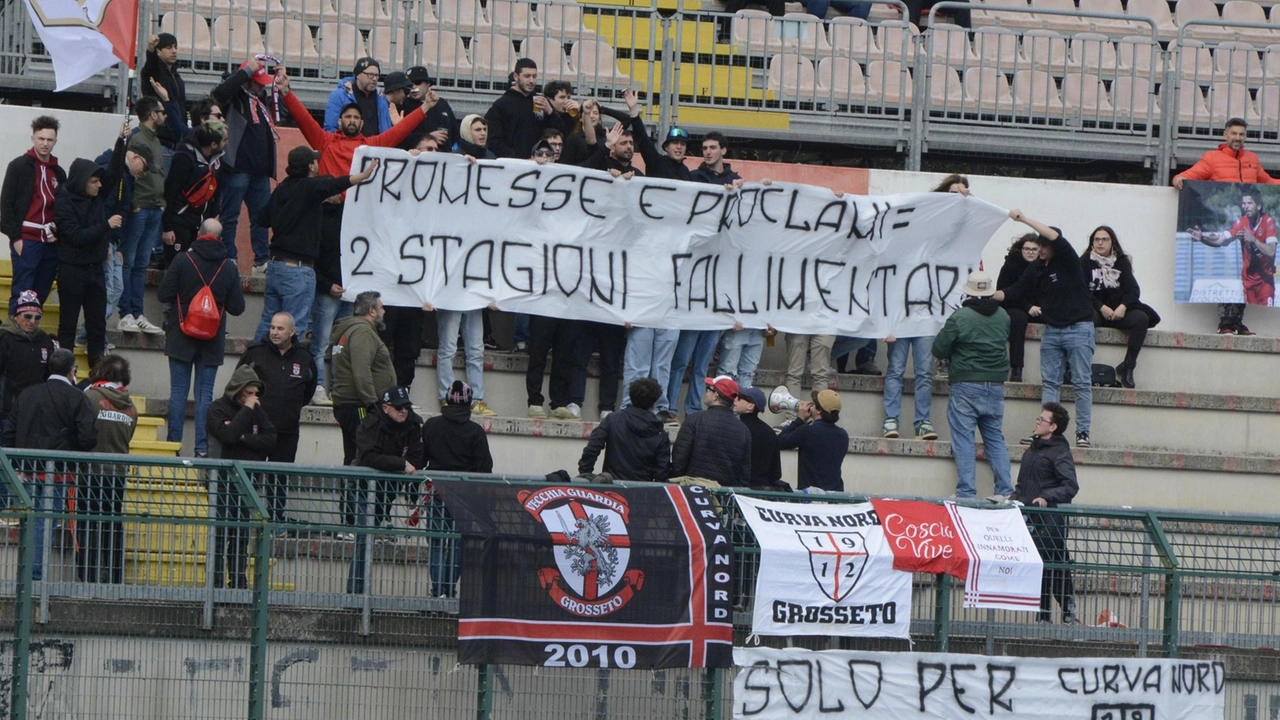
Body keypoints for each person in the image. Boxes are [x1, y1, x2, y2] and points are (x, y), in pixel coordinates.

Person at [254, 144, 380, 346]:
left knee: (269, 324)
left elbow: (262, 219)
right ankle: (283, 374)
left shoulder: (282, 188)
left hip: (275, 267)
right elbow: (337, 184)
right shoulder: (310, 187)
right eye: (315, 160)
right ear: (310, 167)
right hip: (298, 270)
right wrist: (364, 175)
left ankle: (255, 368)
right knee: (292, 329)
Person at [994, 210, 1095, 448]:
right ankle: (1046, 432)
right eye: (1039, 245)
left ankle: (1082, 432)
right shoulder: (1036, 268)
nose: (1040, 249)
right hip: (1053, 330)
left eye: (1045, 245)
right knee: (1050, 384)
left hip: (1079, 328)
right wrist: (987, 294)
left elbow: (1054, 236)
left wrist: (1024, 219)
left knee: (1081, 382)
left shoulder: (1068, 260)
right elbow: (1015, 290)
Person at [1173, 117, 1280, 335]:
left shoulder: (1252, 159)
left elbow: (1267, 181)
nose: (1238, 138)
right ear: (1225, 135)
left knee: (1245, 280)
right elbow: (1190, 176)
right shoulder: (1212, 158)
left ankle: (1236, 323)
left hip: (1249, 240)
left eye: (1242, 134)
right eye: (1234, 134)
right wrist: (1179, 178)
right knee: (1230, 278)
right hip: (1233, 227)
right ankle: (1226, 323)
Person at [3, 348, 96, 581]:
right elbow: (88, 438)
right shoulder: (77, 397)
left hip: (26, 471)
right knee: (45, 524)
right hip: (59, 475)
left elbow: (8, 435)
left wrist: (15, 467)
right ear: (72, 371)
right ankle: (34, 578)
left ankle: (29, 576)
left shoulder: (27, 394)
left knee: (32, 523)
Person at [156, 218, 247, 457]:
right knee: (205, 394)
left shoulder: (183, 260)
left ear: (199, 234)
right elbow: (238, 308)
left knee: (178, 392)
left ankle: (173, 446)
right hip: (212, 337)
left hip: (181, 334)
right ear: (220, 238)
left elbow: (163, 293)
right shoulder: (229, 266)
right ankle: (201, 450)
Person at [53, 122, 135, 371]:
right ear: (81, 181)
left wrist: (121, 141)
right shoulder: (64, 202)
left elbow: (115, 173)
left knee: (98, 327)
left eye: (99, 181)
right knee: (67, 326)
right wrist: (106, 225)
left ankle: (98, 375)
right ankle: (63, 373)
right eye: (94, 181)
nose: (100, 185)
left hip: (95, 270)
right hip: (72, 270)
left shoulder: (97, 195)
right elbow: (75, 236)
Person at [931, 271, 1014, 501]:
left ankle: (966, 491)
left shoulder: (960, 317)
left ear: (968, 292)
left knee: (964, 438)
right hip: (996, 384)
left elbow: (939, 349)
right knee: (995, 438)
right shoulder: (1003, 316)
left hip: (966, 383)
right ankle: (1005, 490)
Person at [236, 312, 317, 522]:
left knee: (280, 479)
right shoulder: (255, 353)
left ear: (292, 332)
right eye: (272, 327)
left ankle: (276, 521)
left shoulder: (305, 358)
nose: (274, 332)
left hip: (287, 431)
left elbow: (307, 391)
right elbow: (238, 384)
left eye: (280, 329)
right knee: (250, 477)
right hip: (257, 429)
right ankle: (243, 519)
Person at [207, 365, 277, 589]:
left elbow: (270, 439)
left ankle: (238, 581)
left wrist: (243, 437)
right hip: (222, 483)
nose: (253, 398)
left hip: (247, 482)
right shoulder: (217, 409)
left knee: (241, 536)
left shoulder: (258, 410)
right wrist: (245, 411)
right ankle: (216, 582)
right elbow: (227, 436)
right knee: (220, 536)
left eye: (255, 394)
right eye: (248, 393)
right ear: (237, 390)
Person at [348, 385, 424, 591]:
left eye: (406, 407)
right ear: (385, 407)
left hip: (386, 491)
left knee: (369, 539)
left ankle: (361, 597)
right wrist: (400, 464)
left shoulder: (413, 425)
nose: (403, 411)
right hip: (364, 489)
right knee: (365, 538)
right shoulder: (370, 424)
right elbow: (368, 457)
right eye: (398, 407)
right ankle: (356, 594)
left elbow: (417, 457)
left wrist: (398, 465)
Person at [421, 380, 490, 597]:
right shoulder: (475, 432)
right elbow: (485, 468)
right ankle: (449, 592)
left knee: (437, 545)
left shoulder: (431, 426)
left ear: (447, 400)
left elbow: (421, 458)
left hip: (437, 493)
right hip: (465, 497)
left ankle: (437, 592)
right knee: (459, 545)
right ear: (470, 403)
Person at [1013, 401, 1079, 625]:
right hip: (1030, 517)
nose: (1037, 421)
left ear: (1052, 427)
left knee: (1052, 564)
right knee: (1042, 566)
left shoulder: (1059, 452)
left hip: (1051, 520)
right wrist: (1013, 499)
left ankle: (1064, 609)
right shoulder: (1033, 449)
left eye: (1042, 419)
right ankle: (1044, 615)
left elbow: (1070, 486)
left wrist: (1047, 497)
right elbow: (1023, 484)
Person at [211, 57, 279, 274]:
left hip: (259, 171)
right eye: (257, 81)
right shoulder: (234, 97)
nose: (261, 86)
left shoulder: (261, 101)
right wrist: (244, 72)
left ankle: (261, 260)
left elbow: (281, 112)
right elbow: (219, 93)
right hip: (237, 168)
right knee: (230, 215)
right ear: (246, 81)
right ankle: (229, 256)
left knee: (261, 218)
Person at [78, 355, 136, 584]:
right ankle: (114, 577)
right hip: (118, 474)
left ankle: (88, 575)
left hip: (90, 472)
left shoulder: (89, 396)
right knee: (112, 525)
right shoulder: (131, 407)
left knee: (88, 524)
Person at [1186, 186, 1276, 334]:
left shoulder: (1268, 222)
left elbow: (1271, 251)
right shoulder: (1241, 222)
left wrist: (1254, 240)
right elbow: (1221, 240)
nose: (1245, 206)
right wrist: (1202, 238)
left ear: (1258, 206)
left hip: (1265, 281)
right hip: (1248, 281)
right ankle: (1230, 325)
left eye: (1249, 203)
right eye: (1244, 203)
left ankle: (1236, 324)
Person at [1083, 226, 1160, 389]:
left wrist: (1123, 307)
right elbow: (1080, 290)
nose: (1100, 243)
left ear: (1112, 242)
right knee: (1085, 316)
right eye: (1096, 239)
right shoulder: (1083, 262)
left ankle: (1128, 366)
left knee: (1141, 318)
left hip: (1118, 311)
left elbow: (1133, 290)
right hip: (1096, 310)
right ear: (1092, 243)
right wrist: (1101, 307)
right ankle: (1081, 365)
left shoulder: (1121, 262)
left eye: (1104, 239)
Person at [1, 116, 66, 305]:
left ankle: (30, 332)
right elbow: (6, 204)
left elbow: (62, 207)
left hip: (51, 241)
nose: (45, 144)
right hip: (27, 238)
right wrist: (16, 238)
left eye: (50, 140)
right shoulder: (19, 166)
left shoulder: (59, 172)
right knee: (22, 293)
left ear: (55, 141)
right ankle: (15, 334)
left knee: (41, 292)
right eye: (41, 138)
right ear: (33, 139)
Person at [117, 96, 168, 335]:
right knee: (129, 262)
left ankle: (137, 313)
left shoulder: (155, 139)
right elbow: (126, 173)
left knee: (140, 264)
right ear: (152, 114)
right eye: (162, 111)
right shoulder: (136, 137)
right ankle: (126, 311)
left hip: (155, 208)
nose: (164, 115)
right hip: (140, 208)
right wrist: (134, 204)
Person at [331, 291, 396, 467]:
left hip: (351, 404)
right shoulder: (362, 332)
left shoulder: (352, 330)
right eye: (381, 307)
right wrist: (372, 405)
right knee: (361, 455)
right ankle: (354, 494)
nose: (384, 311)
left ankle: (351, 493)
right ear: (371, 311)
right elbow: (361, 370)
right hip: (359, 406)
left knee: (355, 452)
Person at [578, 377, 670, 482]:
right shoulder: (660, 433)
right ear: (654, 403)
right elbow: (662, 471)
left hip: (612, 489)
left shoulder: (612, 420)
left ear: (630, 397)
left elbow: (592, 449)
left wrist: (586, 476)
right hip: (643, 491)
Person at [162, 119, 226, 268]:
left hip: (200, 224)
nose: (227, 143)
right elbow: (170, 192)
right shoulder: (184, 158)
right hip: (180, 223)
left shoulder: (217, 161)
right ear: (213, 144)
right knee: (175, 267)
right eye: (225, 140)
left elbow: (216, 191)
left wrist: (214, 214)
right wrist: (167, 227)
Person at [669, 376, 752, 486]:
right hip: (724, 496)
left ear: (716, 396)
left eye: (709, 389)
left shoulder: (695, 420)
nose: (706, 392)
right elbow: (744, 472)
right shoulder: (743, 430)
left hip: (693, 491)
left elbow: (679, 459)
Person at [425, 294, 498, 417]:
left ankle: (475, 400)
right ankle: (447, 397)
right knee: (448, 349)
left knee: (475, 351)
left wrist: (490, 296)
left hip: (472, 298)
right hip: (452, 297)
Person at [0, 290, 58, 429]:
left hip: (35, 410)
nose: (32, 321)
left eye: (37, 317)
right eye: (27, 316)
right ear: (16, 316)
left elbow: (48, 376)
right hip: (7, 411)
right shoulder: (4, 338)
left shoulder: (44, 340)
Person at [485, 59, 558, 158]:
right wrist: (518, 159)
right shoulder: (501, 105)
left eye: (534, 76)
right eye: (527, 76)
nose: (531, 81)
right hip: (513, 166)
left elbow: (558, 132)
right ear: (516, 76)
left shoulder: (541, 102)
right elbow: (493, 141)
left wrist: (550, 112)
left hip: (540, 163)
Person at [778, 389, 848, 492]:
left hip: (811, 495)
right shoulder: (843, 435)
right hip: (835, 494)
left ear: (819, 410)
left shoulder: (808, 431)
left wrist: (799, 420)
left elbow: (779, 442)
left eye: (814, 405)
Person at [997, 234, 1042, 383]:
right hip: (1014, 306)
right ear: (1021, 249)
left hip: (1038, 305)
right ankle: (1016, 369)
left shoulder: (1044, 266)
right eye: (1027, 249)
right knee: (1018, 319)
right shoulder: (1011, 265)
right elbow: (1005, 292)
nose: (1030, 252)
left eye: (1034, 249)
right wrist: (1027, 306)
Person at [140, 33, 186, 151]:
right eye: (169, 47)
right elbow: (151, 66)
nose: (174, 51)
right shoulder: (154, 73)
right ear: (158, 51)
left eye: (175, 47)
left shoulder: (177, 77)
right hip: (160, 142)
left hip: (178, 141)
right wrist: (150, 51)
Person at [324, 57, 392, 135]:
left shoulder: (380, 97)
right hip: (349, 146)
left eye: (377, 75)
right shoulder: (339, 96)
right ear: (358, 75)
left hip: (377, 146)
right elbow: (331, 128)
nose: (374, 79)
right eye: (370, 75)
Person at [734, 386, 783, 491]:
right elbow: (776, 472)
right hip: (762, 492)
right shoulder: (769, 432)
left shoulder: (737, 429)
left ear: (750, 406)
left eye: (739, 397)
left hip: (740, 491)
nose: (735, 399)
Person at [401, 66, 458, 150]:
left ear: (427, 83)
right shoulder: (403, 105)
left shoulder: (442, 104)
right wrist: (429, 137)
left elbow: (455, 133)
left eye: (418, 82)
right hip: (416, 158)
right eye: (409, 85)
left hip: (444, 157)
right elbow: (400, 136)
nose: (414, 87)